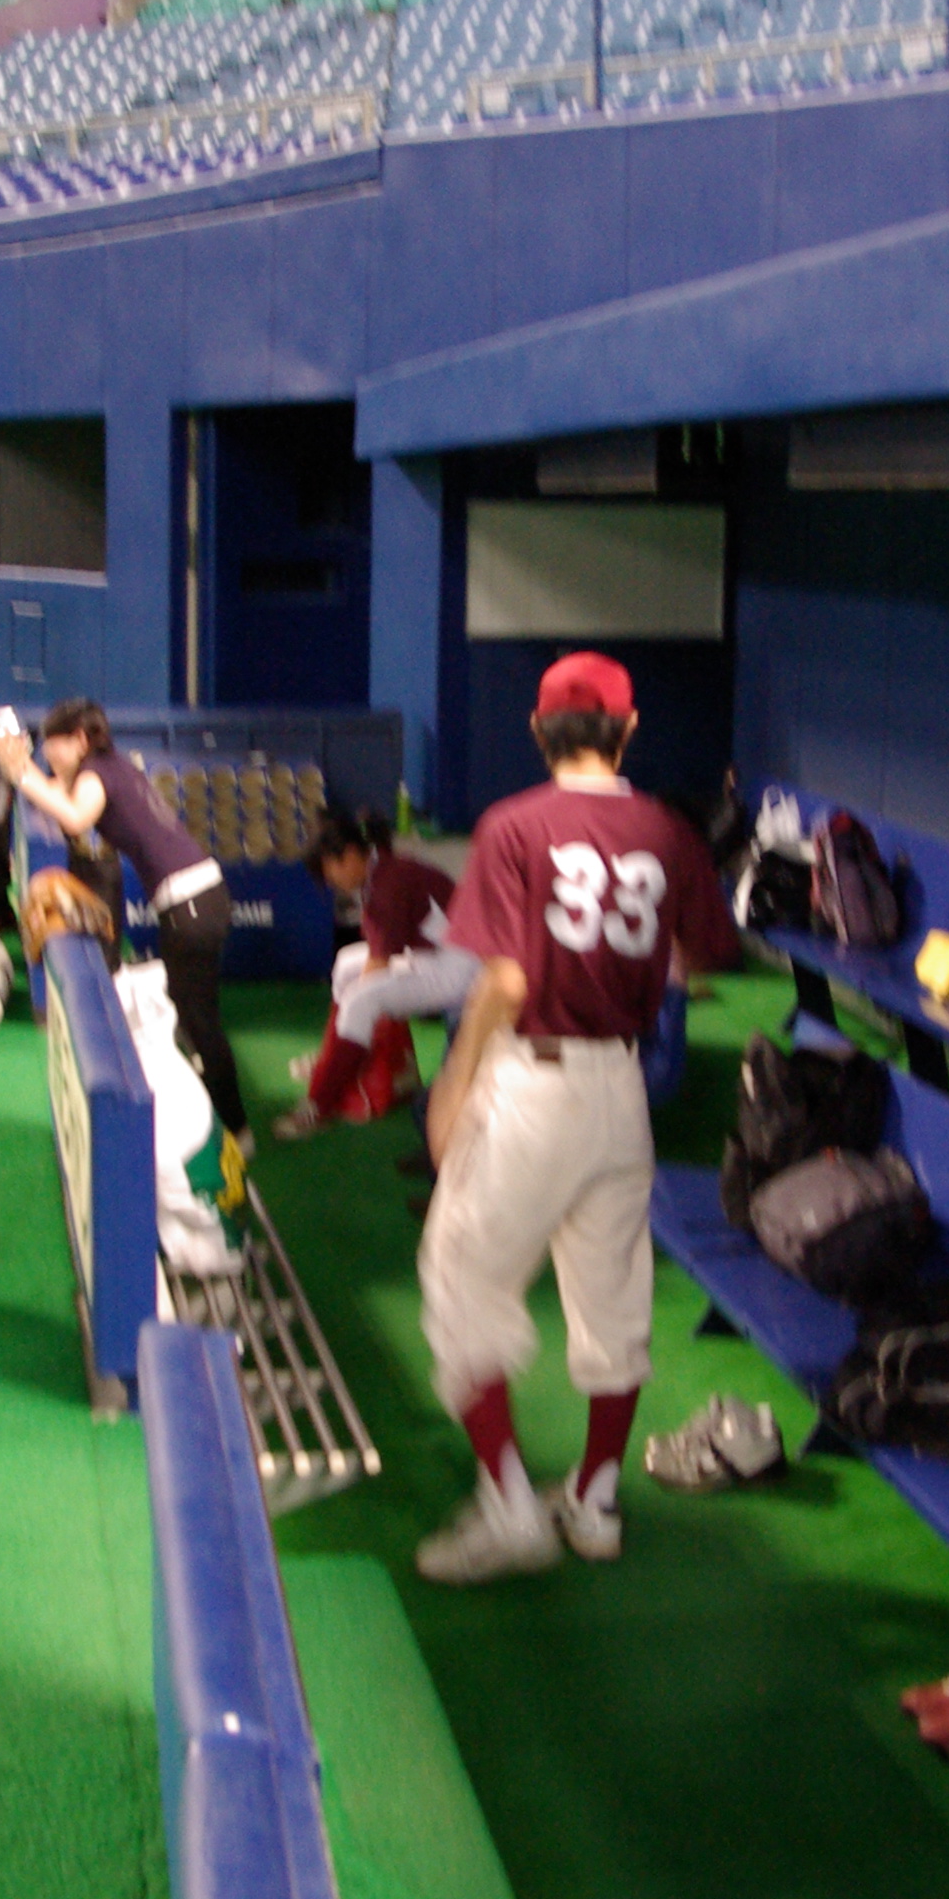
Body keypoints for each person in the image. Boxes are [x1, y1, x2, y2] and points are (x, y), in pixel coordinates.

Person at [411, 654, 737, 1584]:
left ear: (538, 730)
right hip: (621, 1089)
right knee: (612, 1302)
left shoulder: (515, 824)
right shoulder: (667, 829)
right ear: (627, 730)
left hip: (534, 1085)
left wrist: (453, 1084)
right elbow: (704, 958)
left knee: (461, 1279)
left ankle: (511, 1507)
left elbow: (506, 981)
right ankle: (594, 1500)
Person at [0, 699, 249, 1201]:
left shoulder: (96, 774)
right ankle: (225, 1120)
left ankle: (237, 1131)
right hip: (198, 898)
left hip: (192, 904)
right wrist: (22, 766)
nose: (50, 755)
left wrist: (21, 771)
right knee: (192, 1012)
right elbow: (61, 797)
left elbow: (73, 817)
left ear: (80, 740)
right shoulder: (111, 767)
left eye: (54, 746)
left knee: (199, 1019)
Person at [278, 809, 470, 1138]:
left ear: (351, 855)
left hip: (460, 971)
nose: (333, 882)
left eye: (332, 871)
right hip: (431, 956)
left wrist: (353, 1031)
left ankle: (319, 1105)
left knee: (361, 1000)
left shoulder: (388, 883)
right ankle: (332, 1061)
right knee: (346, 963)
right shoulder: (380, 868)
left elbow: (377, 967)